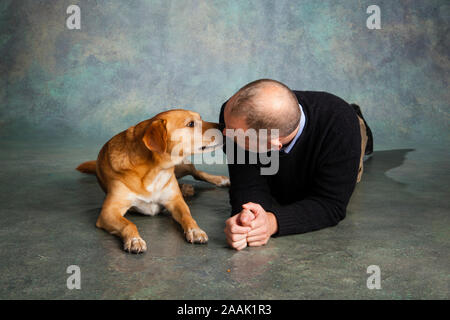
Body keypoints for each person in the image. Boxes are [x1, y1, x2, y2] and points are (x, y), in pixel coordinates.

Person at [219, 79, 373, 250]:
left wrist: (272, 222)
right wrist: (247, 219)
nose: (224, 134)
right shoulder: (234, 117)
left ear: (272, 146)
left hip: (342, 128)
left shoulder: (340, 128)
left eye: (232, 133)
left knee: (355, 151)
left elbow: (330, 204)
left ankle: (359, 121)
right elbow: (248, 183)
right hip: (274, 136)